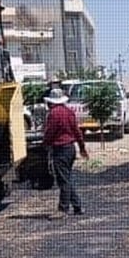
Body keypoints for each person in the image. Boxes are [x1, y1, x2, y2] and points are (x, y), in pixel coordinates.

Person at [42, 88, 89, 218]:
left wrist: (45, 144)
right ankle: (77, 206)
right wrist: (82, 148)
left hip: (60, 149)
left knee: (63, 180)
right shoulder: (69, 112)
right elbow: (77, 131)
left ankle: (63, 209)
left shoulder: (53, 114)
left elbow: (50, 132)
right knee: (66, 178)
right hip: (70, 149)